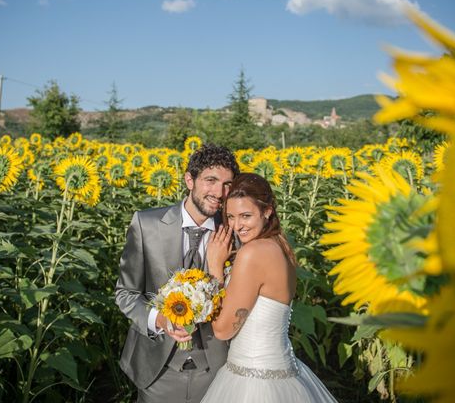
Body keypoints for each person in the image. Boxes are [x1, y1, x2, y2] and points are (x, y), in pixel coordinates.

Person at [115, 143, 240, 403]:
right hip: (157, 370)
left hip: (217, 368)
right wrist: (159, 320)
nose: (219, 192)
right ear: (189, 180)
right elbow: (126, 293)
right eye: (210, 180)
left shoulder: (235, 235)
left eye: (228, 184)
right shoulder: (146, 224)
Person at [202, 172, 337, 402]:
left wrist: (215, 267)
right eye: (231, 216)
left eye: (246, 216)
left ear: (267, 211)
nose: (236, 226)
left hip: (254, 382)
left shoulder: (252, 253)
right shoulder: (281, 246)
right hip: (283, 372)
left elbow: (223, 330)